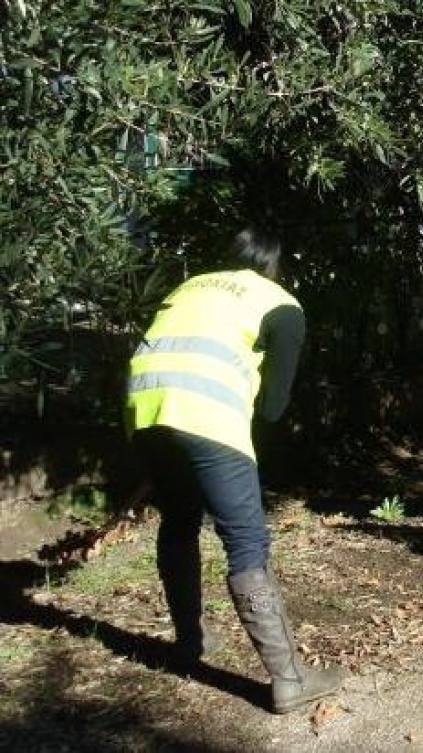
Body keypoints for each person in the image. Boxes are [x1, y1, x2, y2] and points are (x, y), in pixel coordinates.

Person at [125, 228, 345, 714]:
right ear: (275, 265)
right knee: (245, 542)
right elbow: (271, 408)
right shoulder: (281, 303)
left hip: (143, 410)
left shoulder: (190, 285)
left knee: (179, 520)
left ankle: (189, 643)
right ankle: (289, 680)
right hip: (207, 416)